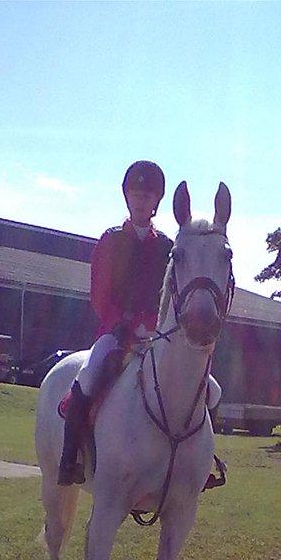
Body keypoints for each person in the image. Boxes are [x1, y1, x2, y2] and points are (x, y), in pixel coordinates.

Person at [57, 160, 222, 486]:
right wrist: (121, 323)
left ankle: (203, 464)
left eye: (146, 196)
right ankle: (69, 459)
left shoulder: (167, 248)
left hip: (158, 335)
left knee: (212, 391)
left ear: (157, 201)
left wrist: (154, 325)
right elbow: (100, 293)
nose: (140, 201)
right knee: (86, 381)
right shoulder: (111, 240)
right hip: (116, 334)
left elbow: (172, 292)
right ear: (126, 197)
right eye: (134, 194)